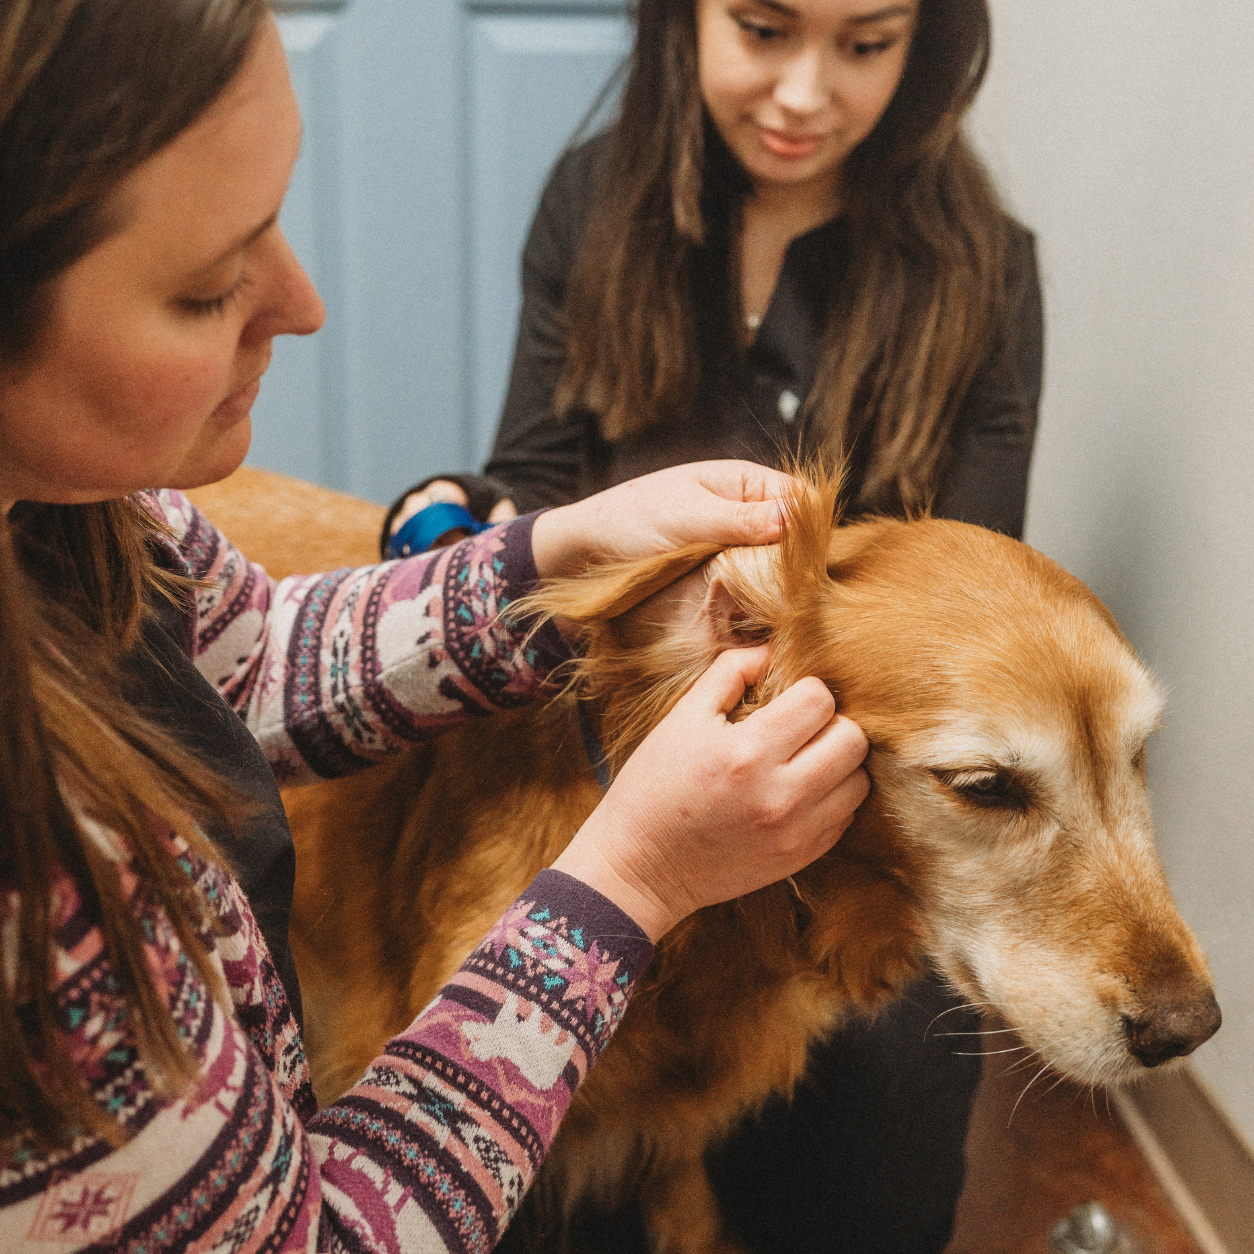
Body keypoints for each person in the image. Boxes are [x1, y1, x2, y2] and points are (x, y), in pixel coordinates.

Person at [0, 5, 872, 1253]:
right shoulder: (40, 901)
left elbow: (244, 661)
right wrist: (633, 879)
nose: (301, 306)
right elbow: (315, 1237)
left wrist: (548, 556)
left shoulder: (76, 511)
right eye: (204, 291)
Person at [389, 1, 1044, 1249]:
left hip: (843, 796)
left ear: (929, 44)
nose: (804, 94)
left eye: (866, 45)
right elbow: (533, 474)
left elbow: (972, 591)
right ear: (680, 18)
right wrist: (463, 524)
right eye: (762, 30)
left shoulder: (985, 271)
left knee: (888, 1117)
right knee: (502, 1048)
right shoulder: (595, 202)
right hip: (600, 746)